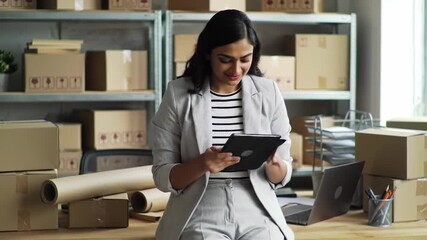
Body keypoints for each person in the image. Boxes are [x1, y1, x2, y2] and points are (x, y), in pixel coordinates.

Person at [151, 9, 294, 240]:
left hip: (256, 204)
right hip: (201, 204)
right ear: (208, 53)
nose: (236, 70)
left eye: (245, 59)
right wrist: (201, 164)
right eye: (225, 60)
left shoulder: (269, 93)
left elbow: (284, 170)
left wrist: (278, 169)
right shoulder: (178, 95)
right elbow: (162, 176)